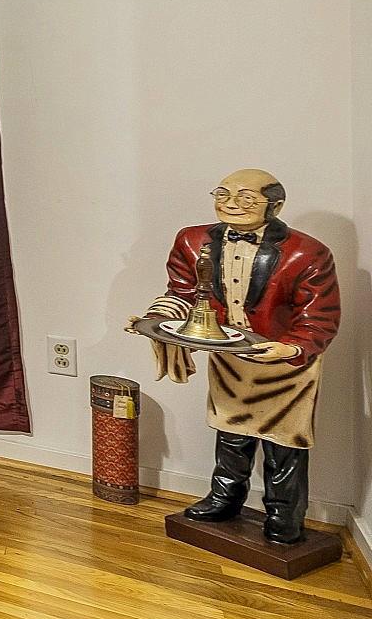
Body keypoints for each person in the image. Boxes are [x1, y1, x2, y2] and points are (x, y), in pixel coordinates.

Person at [131, 169, 339, 544]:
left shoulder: (308, 252)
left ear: (274, 205)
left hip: (285, 365)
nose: (231, 203)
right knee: (231, 433)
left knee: (284, 444)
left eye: (246, 197)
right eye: (223, 193)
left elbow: (319, 314)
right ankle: (224, 498)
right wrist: (158, 320)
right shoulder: (192, 240)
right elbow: (183, 291)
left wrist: (290, 347)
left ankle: (284, 516)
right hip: (229, 357)